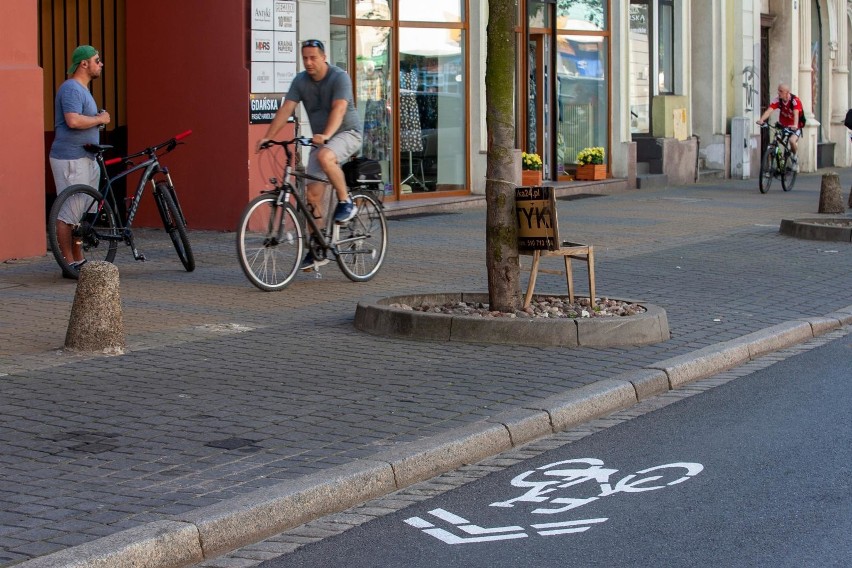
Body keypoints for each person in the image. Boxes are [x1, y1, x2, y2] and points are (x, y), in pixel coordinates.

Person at [258, 39, 363, 271]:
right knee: (312, 197)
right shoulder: (300, 80)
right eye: (305, 57)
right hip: (322, 139)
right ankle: (318, 248)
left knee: (325, 156)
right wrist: (268, 136)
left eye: (313, 57)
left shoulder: (339, 77)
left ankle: (346, 202)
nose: (308, 62)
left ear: (324, 57)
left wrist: (325, 135)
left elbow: (339, 108)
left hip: (347, 133)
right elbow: (286, 108)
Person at [49, 45, 111, 277]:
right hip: (71, 158)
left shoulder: (82, 90)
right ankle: (68, 263)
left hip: (85, 157)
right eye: (97, 60)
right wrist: (99, 119)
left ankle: (79, 258)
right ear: (84, 64)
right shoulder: (72, 89)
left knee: (80, 213)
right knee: (68, 213)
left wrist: (96, 119)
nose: (101, 64)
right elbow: (73, 121)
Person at [756, 83, 803, 172]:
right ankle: (773, 166)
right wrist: (761, 120)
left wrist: (795, 125)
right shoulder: (778, 100)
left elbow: (796, 113)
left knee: (792, 141)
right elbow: (769, 111)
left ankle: (795, 157)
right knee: (774, 142)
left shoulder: (794, 101)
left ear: (787, 92)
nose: (778, 93)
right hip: (783, 125)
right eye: (778, 90)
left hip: (795, 126)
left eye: (781, 91)